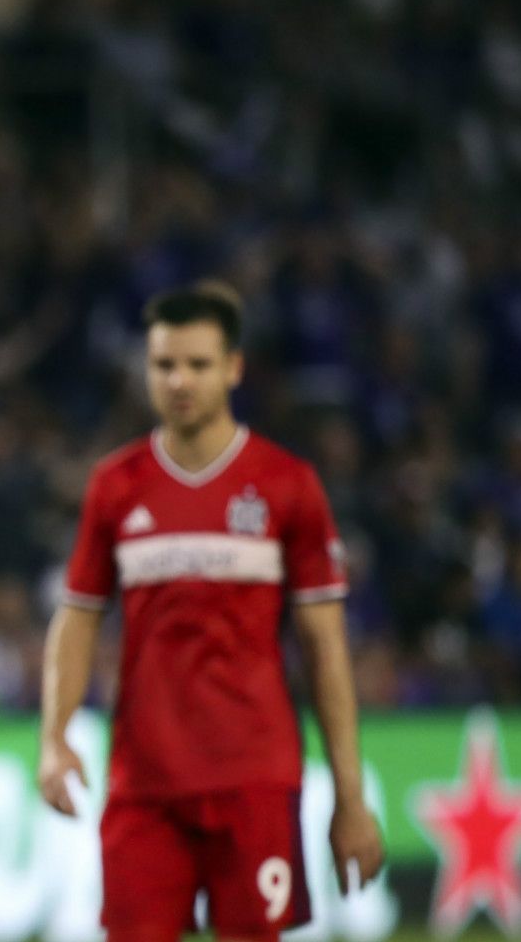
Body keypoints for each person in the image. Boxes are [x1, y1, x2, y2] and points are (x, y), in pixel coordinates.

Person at [37, 282, 387, 942]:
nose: (179, 380)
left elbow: (326, 649)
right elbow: (78, 617)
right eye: (164, 364)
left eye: (198, 364)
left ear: (233, 368)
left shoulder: (288, 486)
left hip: (254, 780)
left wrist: (350, 798)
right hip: (144, 784)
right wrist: (53, 739)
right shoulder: (116, 486)